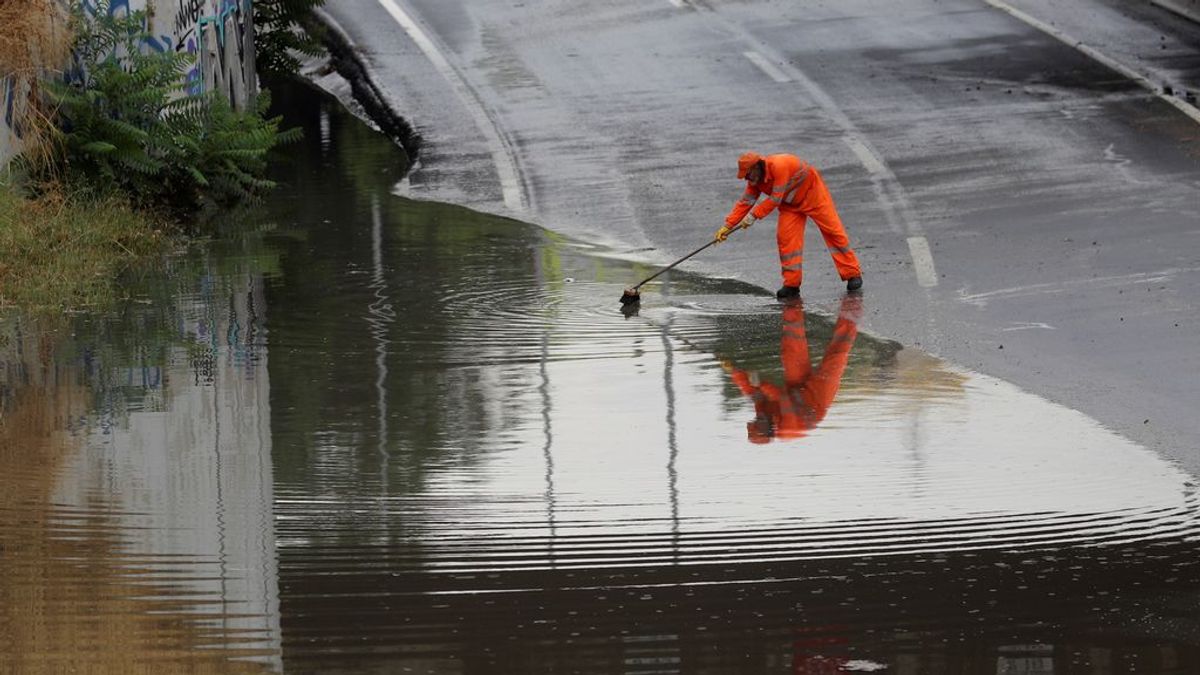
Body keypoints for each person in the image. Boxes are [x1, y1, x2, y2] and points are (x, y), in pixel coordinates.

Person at [715, 152, 863, 298]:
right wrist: (727, 226)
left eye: (748, 174)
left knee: (833, 232)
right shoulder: (755, 181)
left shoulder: (779, 166)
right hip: (790, 205)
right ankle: (792, 285)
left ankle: (852, 274)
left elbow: (774, 199)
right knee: (786, 240)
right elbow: (745, 202)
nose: (747, 178)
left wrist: (754, 216)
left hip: (814, 195)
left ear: (757, 167)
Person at [724, 296, 860, 443]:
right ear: (767, 430)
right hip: (817, 398)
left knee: (791, 348)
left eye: (755, 420)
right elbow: (782, 397)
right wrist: (761, 384)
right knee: (837, 354)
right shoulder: (789, 430)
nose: (757, 417)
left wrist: (734, 372)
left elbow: (753, 393)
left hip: (795, 389)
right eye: (757, 422)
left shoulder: (763, 416)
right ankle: (852, 307)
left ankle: (792, 305)